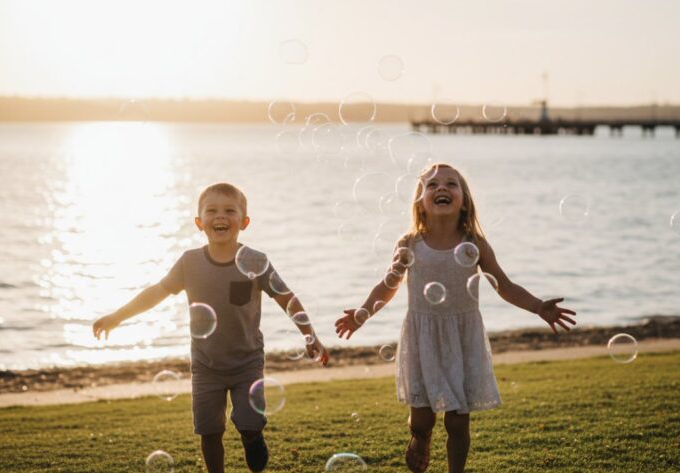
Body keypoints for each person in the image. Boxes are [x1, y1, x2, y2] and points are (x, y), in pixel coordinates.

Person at [335, 163, 575, 473]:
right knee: (422, 421)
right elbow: (387, 286)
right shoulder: (409, 244)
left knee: (458, 422)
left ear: (464, 200)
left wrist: (538, 306)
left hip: (462, 338)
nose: (441, 188)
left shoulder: (474, 244)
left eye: (451, 184)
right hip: (423, 337)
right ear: (420, 201)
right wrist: (362, 313)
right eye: (432, 185)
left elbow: (504, 285)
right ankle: (419, 439)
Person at [93, 182, 329, 473]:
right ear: (199, 222)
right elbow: (157, 292)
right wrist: (118, 316)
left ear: (244, 222)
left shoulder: (256, 261)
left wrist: (310, 334)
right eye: (212, 210)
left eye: (230, 211)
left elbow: (286, 298)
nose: (221, 216)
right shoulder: (190, 262)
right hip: (205, 366)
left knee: (249, 423)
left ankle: (253, 438)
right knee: (209, 431)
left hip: (247, 362)